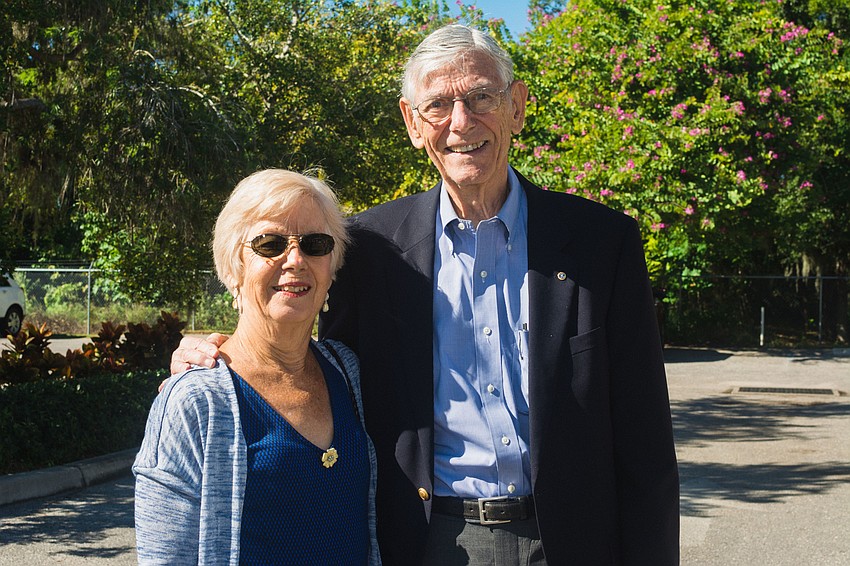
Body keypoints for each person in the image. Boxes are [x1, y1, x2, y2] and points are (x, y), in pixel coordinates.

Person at [172, 25, 679, 565]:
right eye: (438, 105)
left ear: (517, 106)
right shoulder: (370, 251)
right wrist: (216, 358)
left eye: (482, 96)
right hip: (426, 542)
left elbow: (644, 442)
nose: (462, 122)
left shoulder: (602, 244)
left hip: (574, 543)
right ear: (414, 124)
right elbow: (317, 371)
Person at [136, 169, 380, 565]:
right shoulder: (195, 401)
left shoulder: (346, 371)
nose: (296, 259)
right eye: (270, 243)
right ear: (235, 266)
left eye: (316, 244)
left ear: (331, 267)